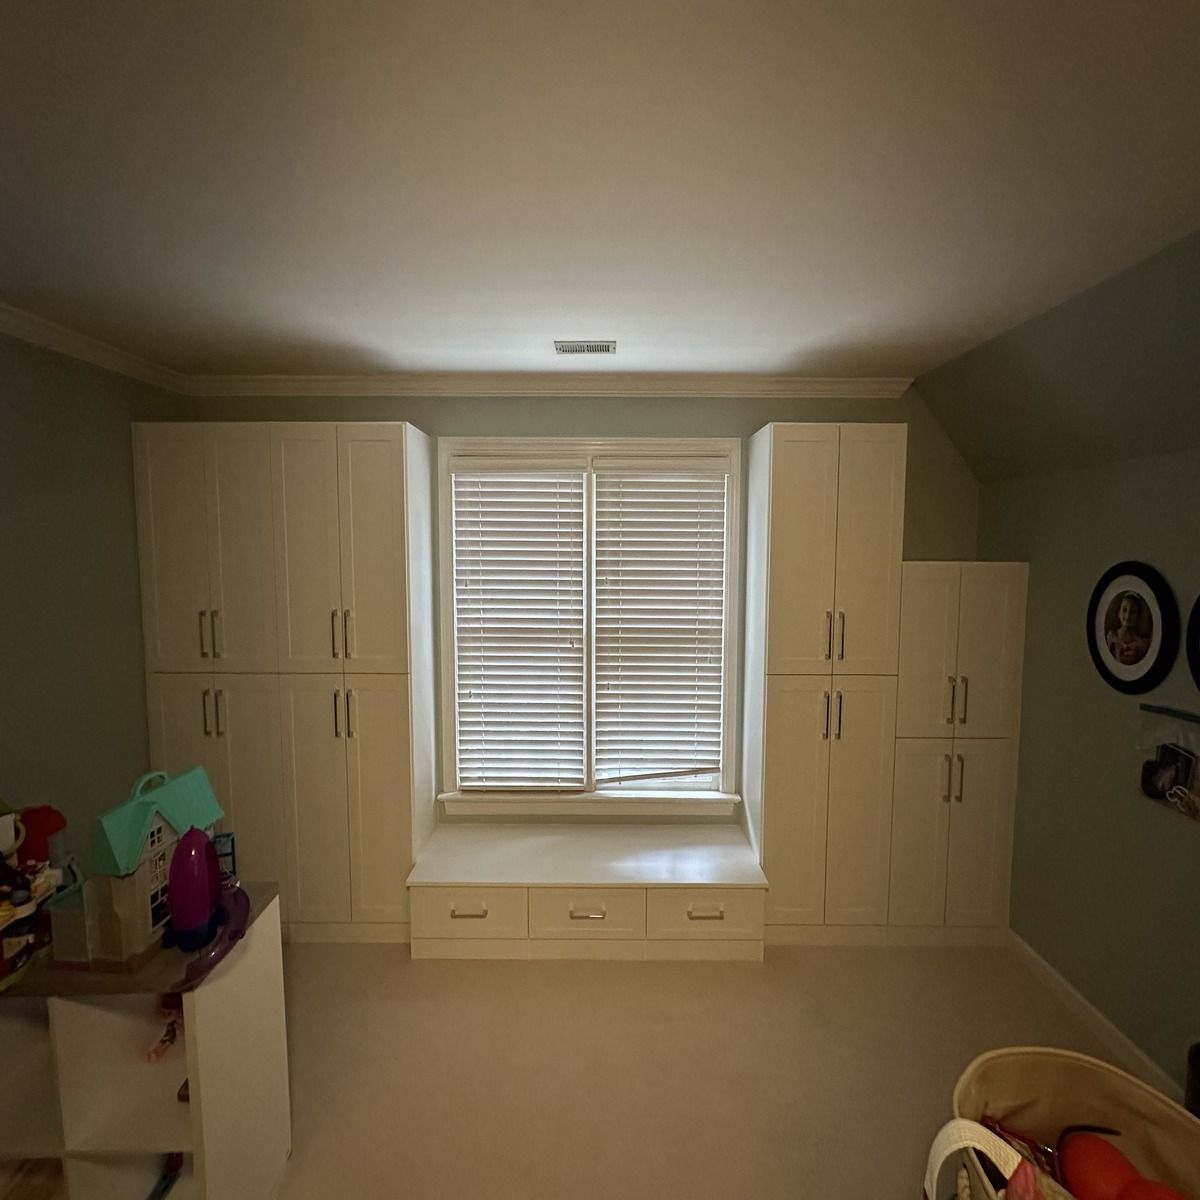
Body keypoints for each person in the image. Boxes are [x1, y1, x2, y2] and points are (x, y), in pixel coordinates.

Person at [1106, 592, 1151, 665]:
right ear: (1119, 613)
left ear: (1138, 617)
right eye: (1124, 610)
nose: (1127, 616)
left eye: (1132, 612)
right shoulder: (1112, 636)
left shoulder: (1142, 644)